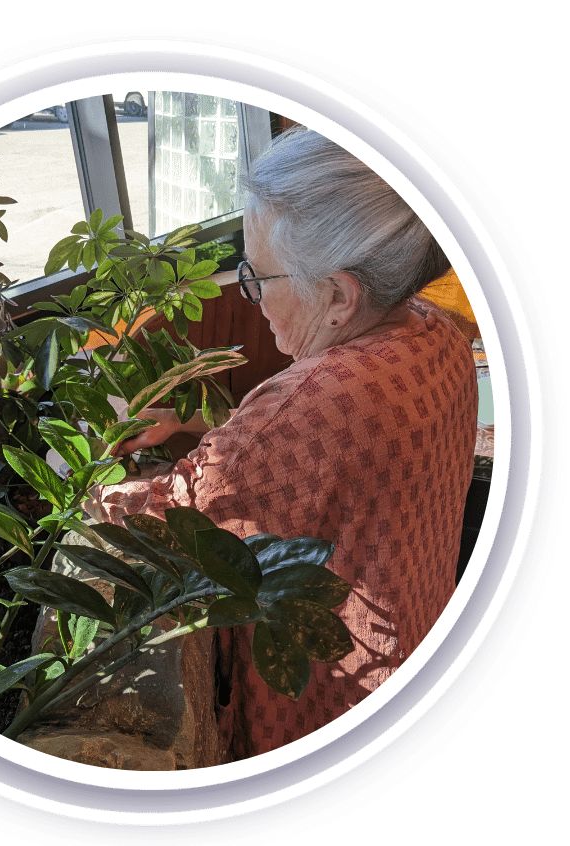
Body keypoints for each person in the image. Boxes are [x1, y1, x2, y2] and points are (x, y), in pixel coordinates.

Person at [84, 126, 477, 761]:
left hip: (337, 694)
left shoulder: (315, 402)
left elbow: (159, 517)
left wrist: (77, 470)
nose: (250, 294)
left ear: (340, 295)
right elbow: (320, 468)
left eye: (257, 275)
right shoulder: (438, 336)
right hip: (424, 633)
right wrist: (200, 423)